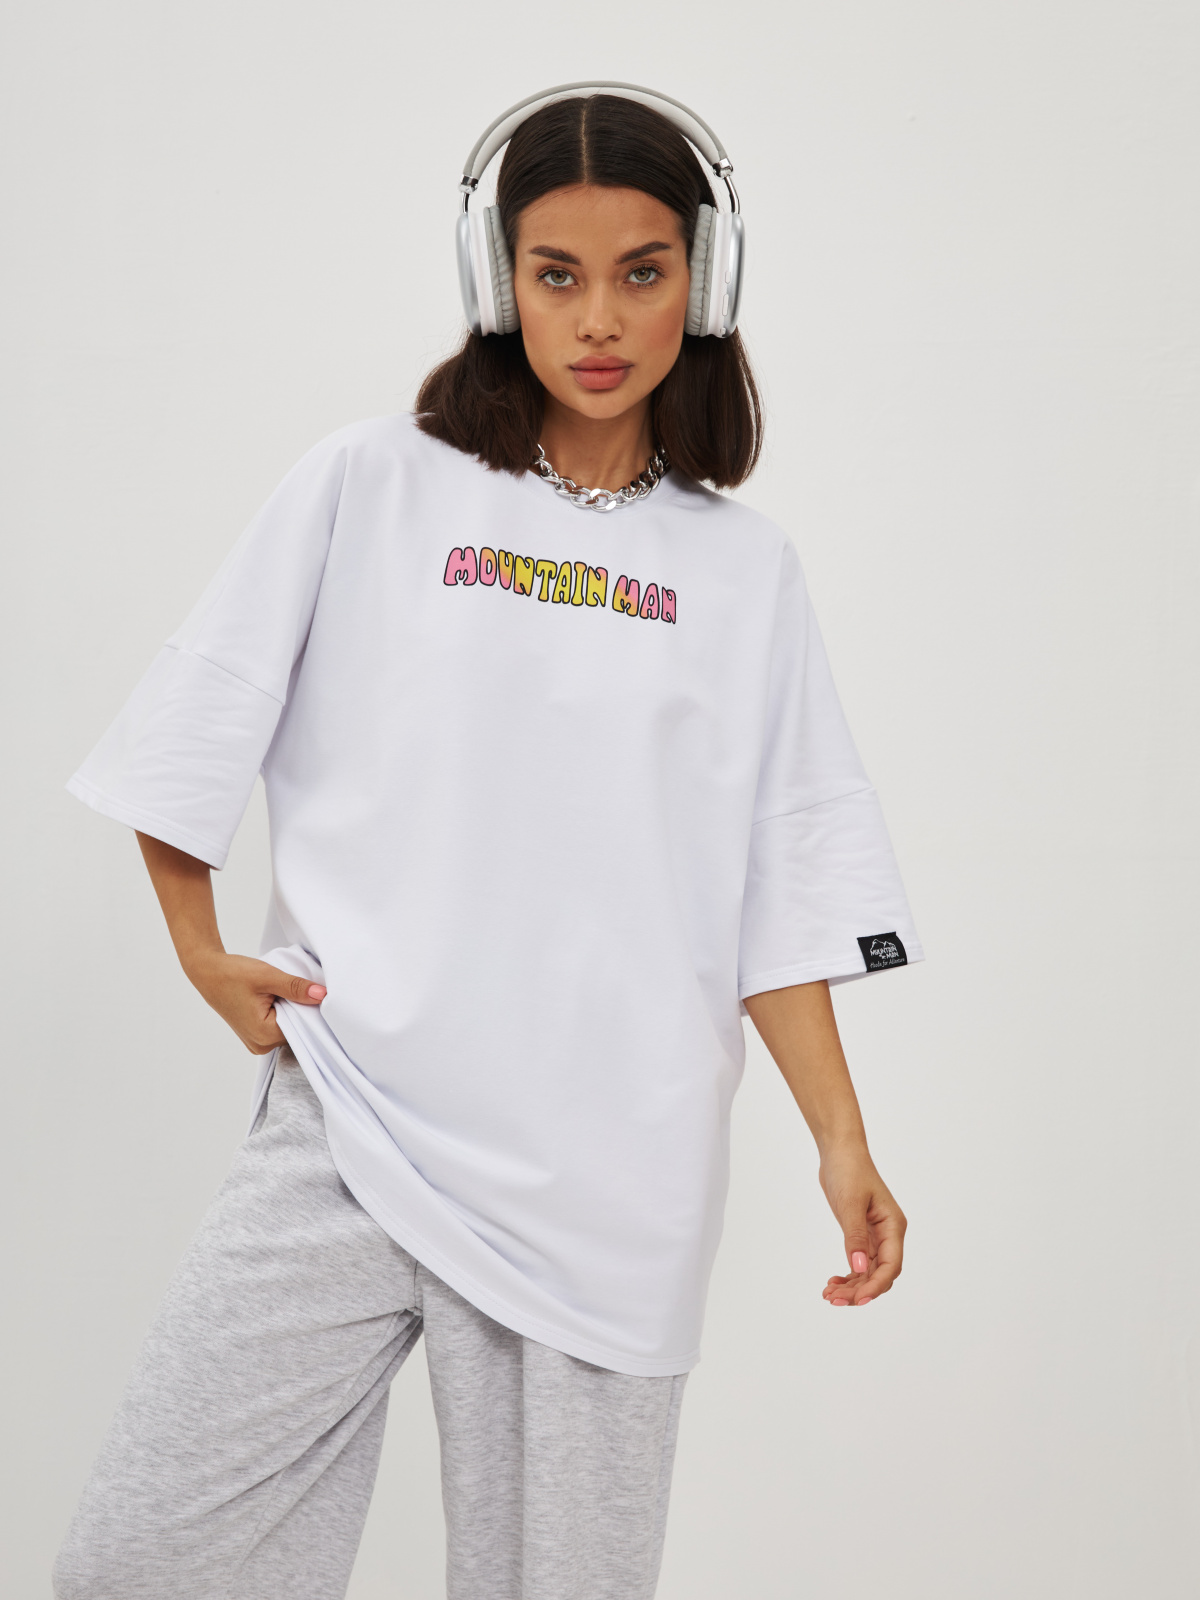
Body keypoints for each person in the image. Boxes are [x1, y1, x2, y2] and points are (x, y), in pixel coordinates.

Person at [54, 84, 922, 1600]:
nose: (600, 320)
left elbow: (777, 883)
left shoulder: (745, 573)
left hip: (609, 1175)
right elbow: (201, 712)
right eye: (556, 273)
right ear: (496, 277)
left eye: (643, 272)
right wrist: (199, 949)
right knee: (142, 1558)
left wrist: (840, 1139)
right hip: (351, 1117)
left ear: (705, 279)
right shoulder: (371, 481)